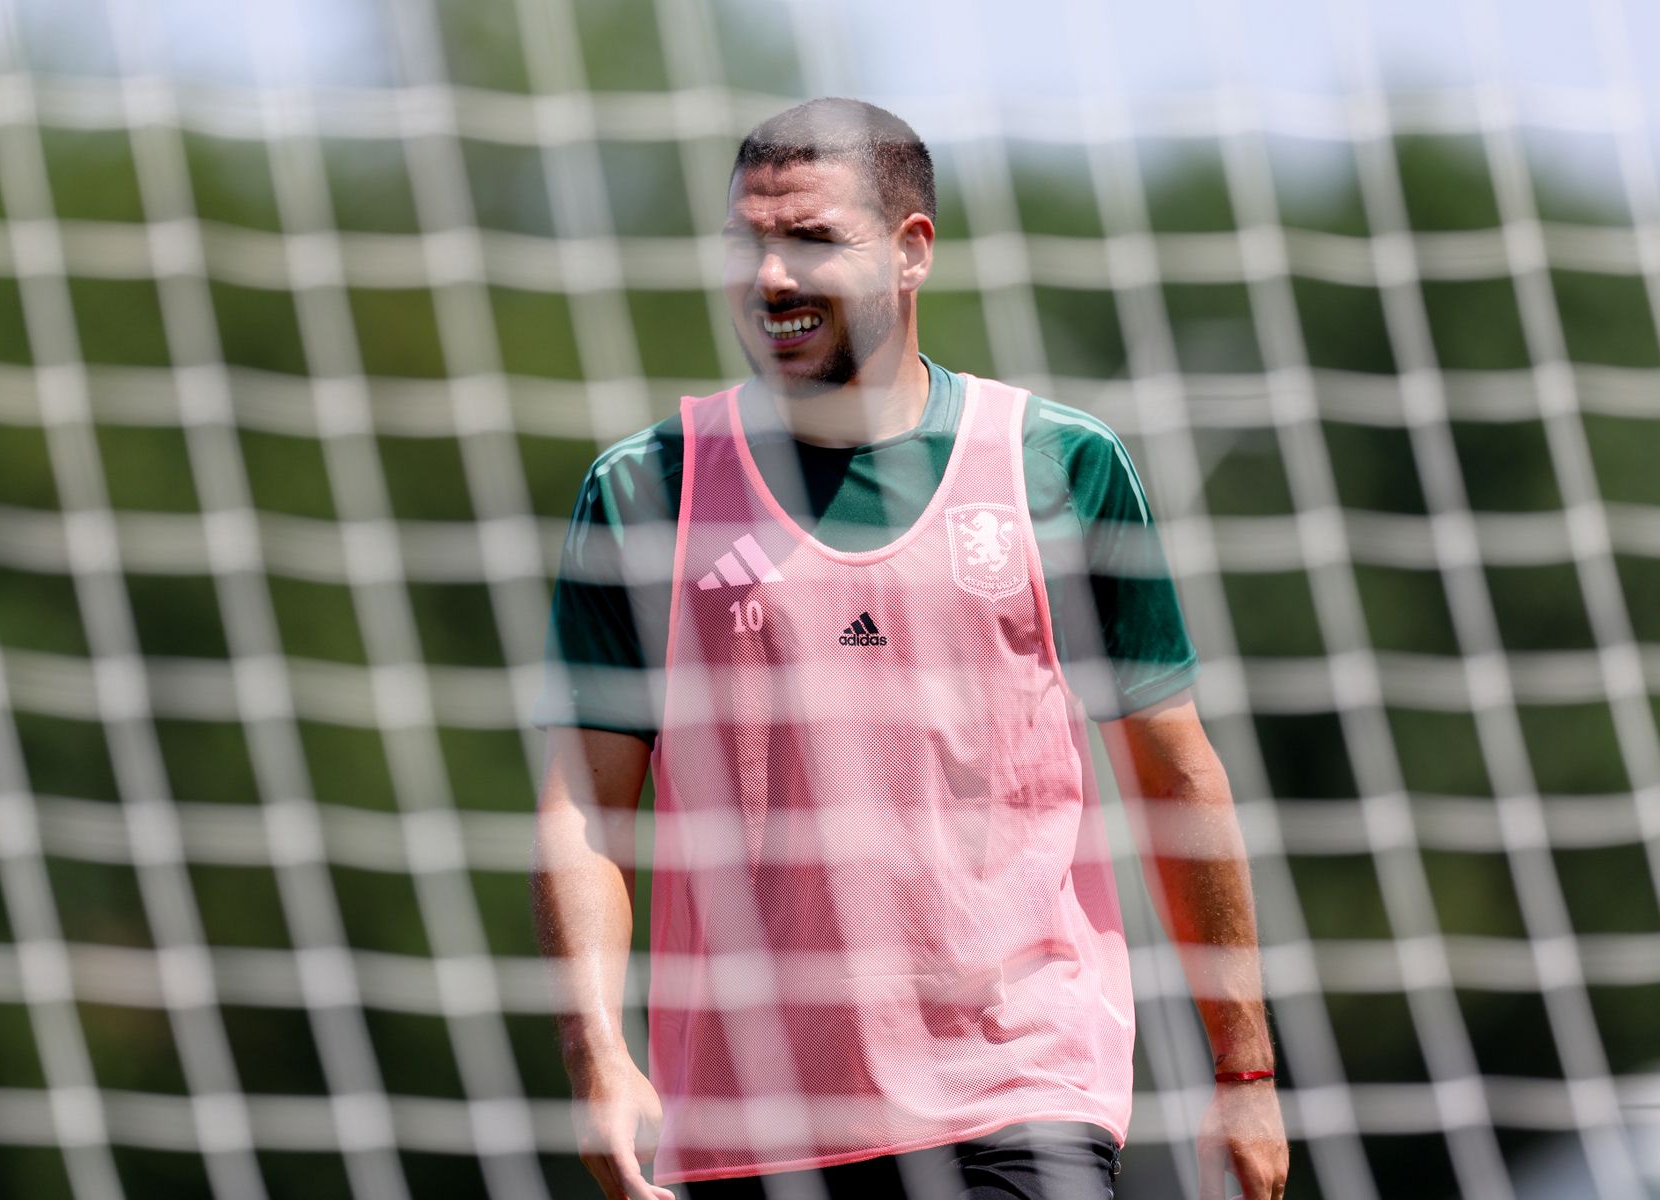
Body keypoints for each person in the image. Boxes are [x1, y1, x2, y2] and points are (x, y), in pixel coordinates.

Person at [530, 97, 1288, 1200]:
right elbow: (584, 806)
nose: (772, 280)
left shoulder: (1056, 467)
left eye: (813, 241)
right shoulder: (648, 488)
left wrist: (1246, 1066)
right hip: (755, 1124)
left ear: (911, 250)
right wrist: (596, 1056)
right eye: (749, 241)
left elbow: (1174, 771)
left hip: (1021, 1089)